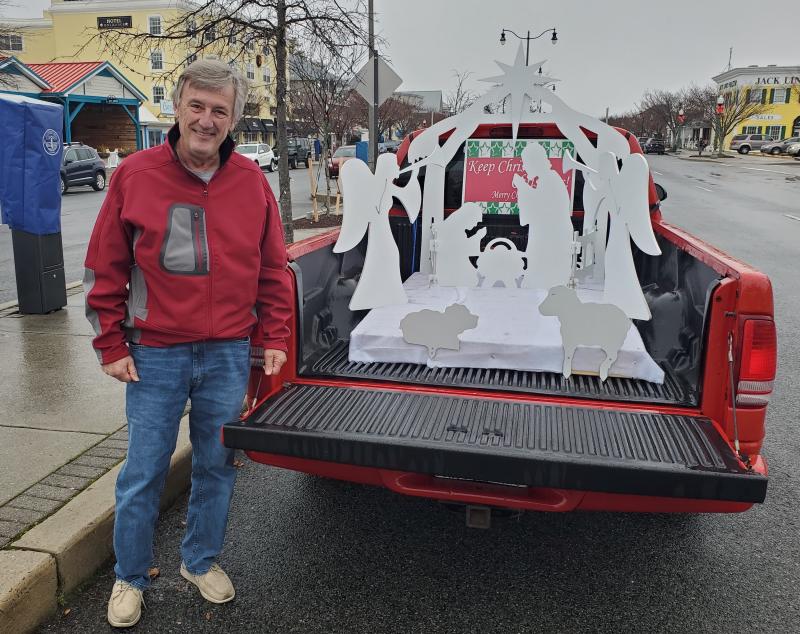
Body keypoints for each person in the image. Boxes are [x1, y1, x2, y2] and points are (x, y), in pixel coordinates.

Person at [83, 59, 292, 628]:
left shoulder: (251, 181)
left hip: (227, 352)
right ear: (177, 108)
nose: (206, 119)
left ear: (234, 119)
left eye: (219, 110)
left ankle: (199, 561)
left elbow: (272, 268)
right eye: (196, 106)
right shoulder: (136, 175)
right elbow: (105, 266)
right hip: (154, 353)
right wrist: (110, 345)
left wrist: (274, 335)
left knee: (217, 464)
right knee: (144, 471)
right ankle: (129, 576)